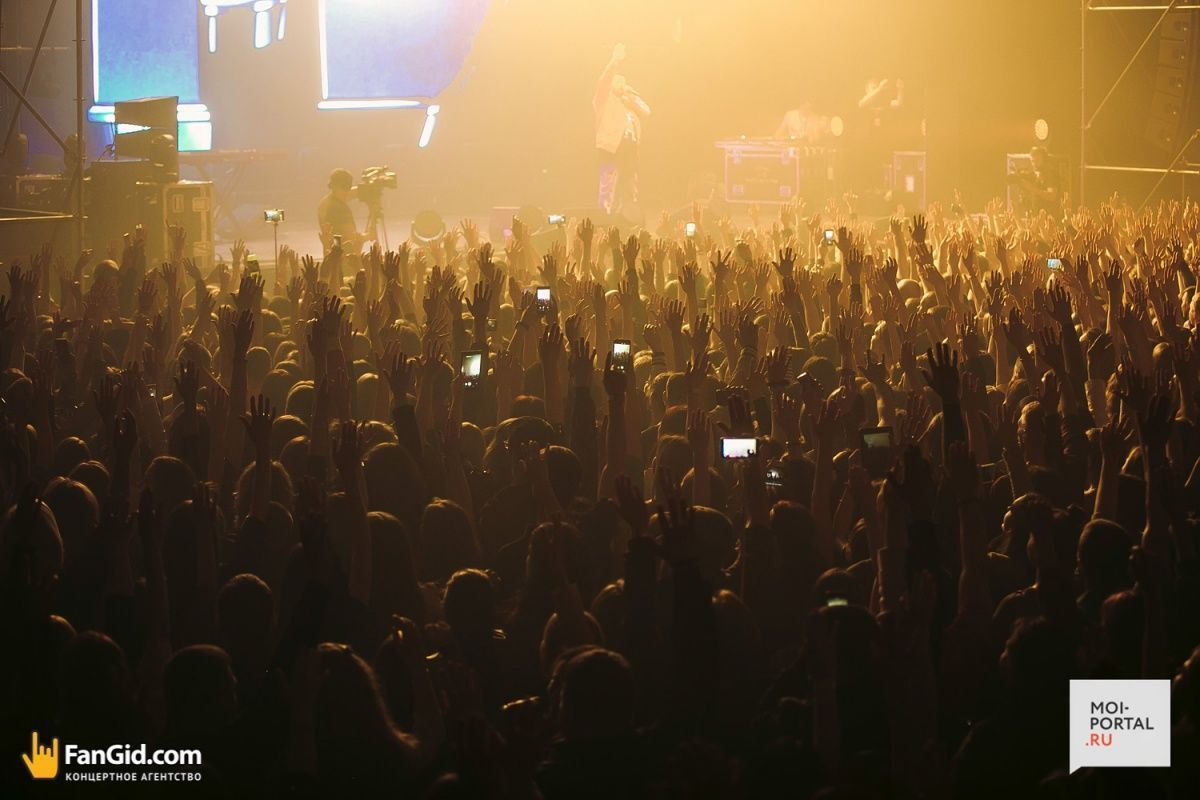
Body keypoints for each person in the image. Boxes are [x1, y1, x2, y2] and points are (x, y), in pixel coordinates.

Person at [593, 43, 651, 214]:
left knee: (629, 185)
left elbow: (647, 111)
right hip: (609, 147)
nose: (621, 85)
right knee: (608, 186)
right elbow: (603, 80)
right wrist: (614, 61)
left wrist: (628, 96)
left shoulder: (629, 102)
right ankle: (605, 218)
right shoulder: (603, 99)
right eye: (617, 82)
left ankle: (628, 216)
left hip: (629, 148)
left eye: (623, 83)